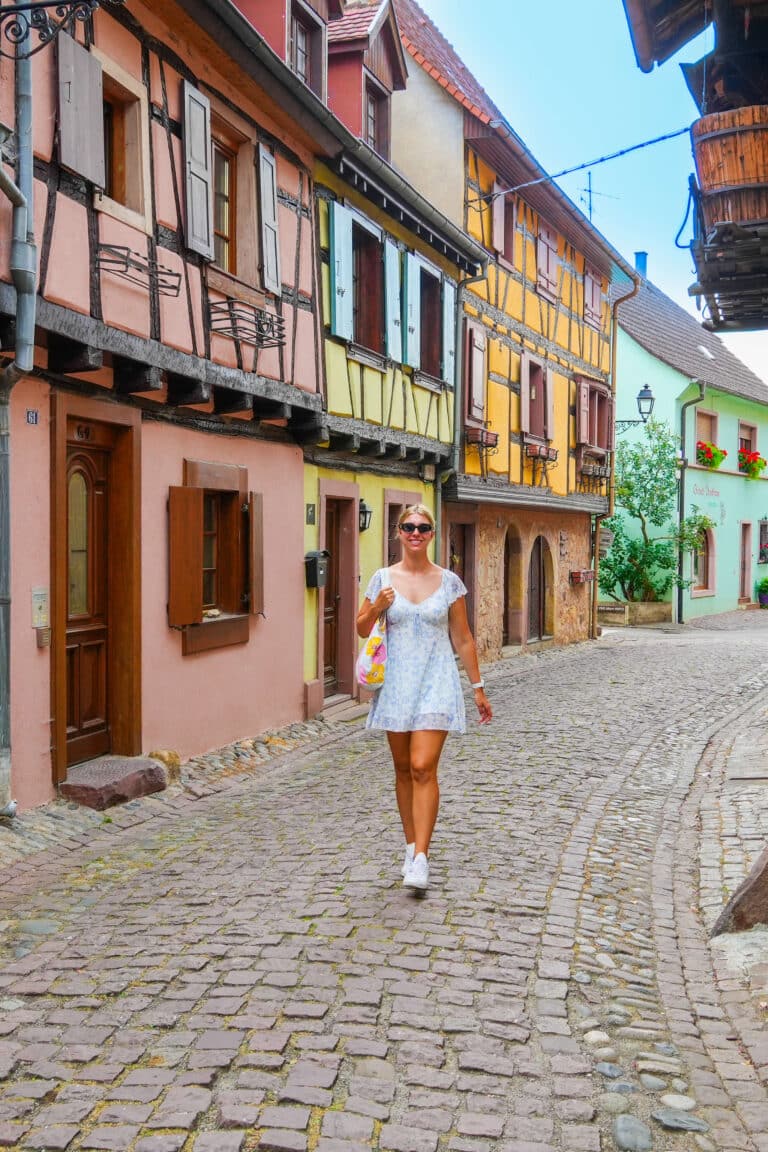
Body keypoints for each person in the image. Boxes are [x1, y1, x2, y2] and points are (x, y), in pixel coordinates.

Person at [356, 504, 492, 892]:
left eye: (423, 527)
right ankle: (410, 843)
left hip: (436, 681)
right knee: (402, 769)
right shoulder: (382, 579)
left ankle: (421, 858)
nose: (415, 533)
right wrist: (379, 606)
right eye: (408, 527)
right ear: (398, 532)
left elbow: (462, 638)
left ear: (433, 534)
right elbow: (363, 628)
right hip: (397, 684)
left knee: (421, 766)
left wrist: (477, 688)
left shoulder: (449, 582)